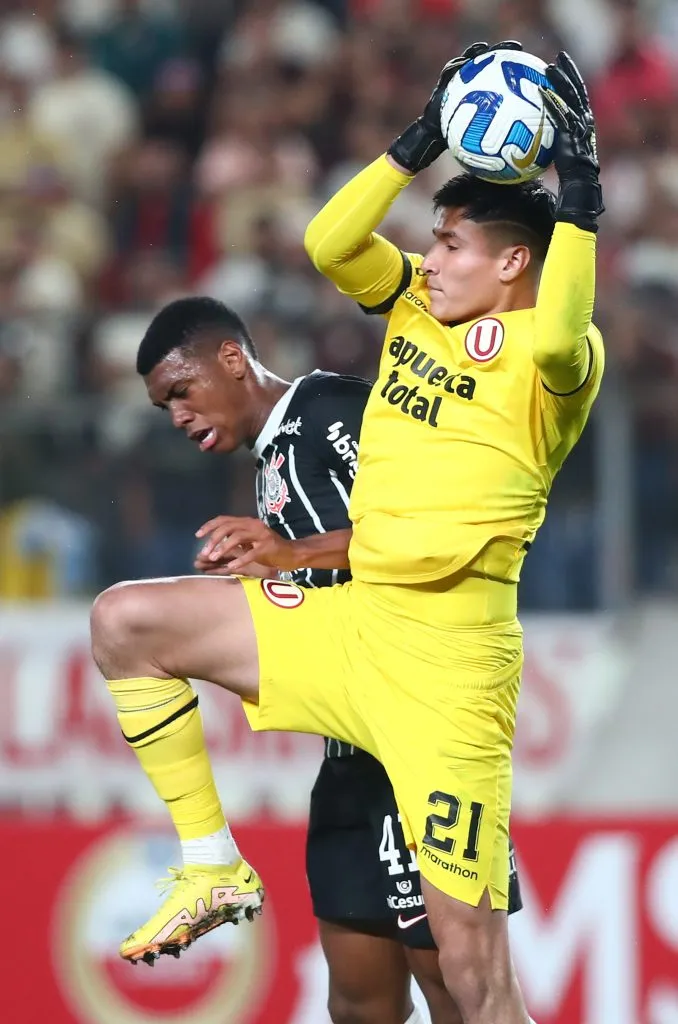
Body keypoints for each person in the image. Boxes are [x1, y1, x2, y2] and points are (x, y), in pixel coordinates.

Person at [91, 41, 604, 1024]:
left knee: (471, 972)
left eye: (454, 242)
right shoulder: (417, 301)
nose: (432, 253)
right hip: (355, 628)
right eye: (435, 237)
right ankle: (208, 863)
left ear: (513, 262)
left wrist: (579, 193)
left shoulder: (558, 362)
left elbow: (552, 326)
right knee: (126, 625)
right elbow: (331, 243)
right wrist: (419, 139)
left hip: (449, 672)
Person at [180, 346, 523, 1024]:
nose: (178, 415)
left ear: (231, 359)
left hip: (414, 745)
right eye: (166, 406)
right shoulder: (273, 455)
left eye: (182, 391)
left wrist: (293, 555)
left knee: (454, 988)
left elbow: (418, 529)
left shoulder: (329, 408)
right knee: (358, 1002)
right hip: (346, 760)